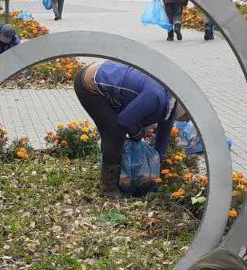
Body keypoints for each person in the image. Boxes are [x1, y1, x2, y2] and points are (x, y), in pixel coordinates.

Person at [72, 60, 180, 199]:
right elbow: (124, 121)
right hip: (90, 84)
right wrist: (138, 133)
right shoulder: (156, 96)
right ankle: (109, 189)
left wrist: (158, 167)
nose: (188, 121)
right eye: (187, 117)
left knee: (113, 132)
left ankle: (113, 173)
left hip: (110, 84)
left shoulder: (170, 104)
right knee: (114, 134)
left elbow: (163, 137)